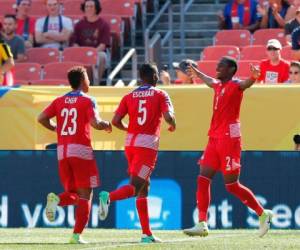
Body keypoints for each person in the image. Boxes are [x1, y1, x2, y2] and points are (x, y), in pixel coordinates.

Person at [182, 57, 273, 238]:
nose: (217, 67)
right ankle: (202, 223)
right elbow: (210, 81)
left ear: (231, 70)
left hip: (229, 140)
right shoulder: (218, 85)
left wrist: (253, 77)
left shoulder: (235, 85)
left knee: (231, 185)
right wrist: (198, 73)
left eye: (221, 66)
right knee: (202, 178)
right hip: (214, 139)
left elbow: (245, 84)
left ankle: (263, 213)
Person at [97, 63, 176, 243]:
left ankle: (146, 234)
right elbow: (168, 117)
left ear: (141, 78)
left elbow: (116, 121)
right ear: (155, 77)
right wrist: (173, 124)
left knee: (144, 189)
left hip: (130, 145)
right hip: (146, 146)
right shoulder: (161, 94)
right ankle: (108, 197)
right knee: (135, 188)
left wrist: (131, 129)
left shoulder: (129, 95)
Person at [37, 66, 112, 244]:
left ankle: (56, 199)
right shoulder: (88, 100)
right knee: (86, 195)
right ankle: (76, 235)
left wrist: (56, 128)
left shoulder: (59, 100)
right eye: (87, 77)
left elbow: (41, 118)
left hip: (62, 152)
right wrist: (106, 124)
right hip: (81, 151)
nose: (89, 81)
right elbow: (95, 123)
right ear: (82, 80)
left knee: (74, 194)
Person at [69, 0, 110, 85]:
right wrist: (82, 53)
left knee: (102, 56)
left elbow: (103, 45)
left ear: (96, 9)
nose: (88, 9)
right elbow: (74, 43)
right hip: (81, 53)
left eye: (91, 6)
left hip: (98, 52)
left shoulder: (104, 24)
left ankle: (96, 84)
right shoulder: (79, 25)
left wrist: (91, 54)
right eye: (87, 6)